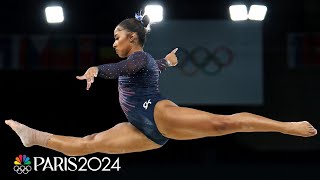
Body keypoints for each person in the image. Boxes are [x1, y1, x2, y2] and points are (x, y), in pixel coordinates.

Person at [5, 13, 317, 156]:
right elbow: (153, 66)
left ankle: (285, 126)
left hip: (156, 113)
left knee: (222, 124)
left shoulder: (137, 57)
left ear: (131, 37)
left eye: (116, 37)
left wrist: (96, 70)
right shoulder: (147, 61)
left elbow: (123, 67)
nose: (113, 42)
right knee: (88, 145)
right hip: (143, 130)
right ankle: (35, 137)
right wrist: (168, 63)